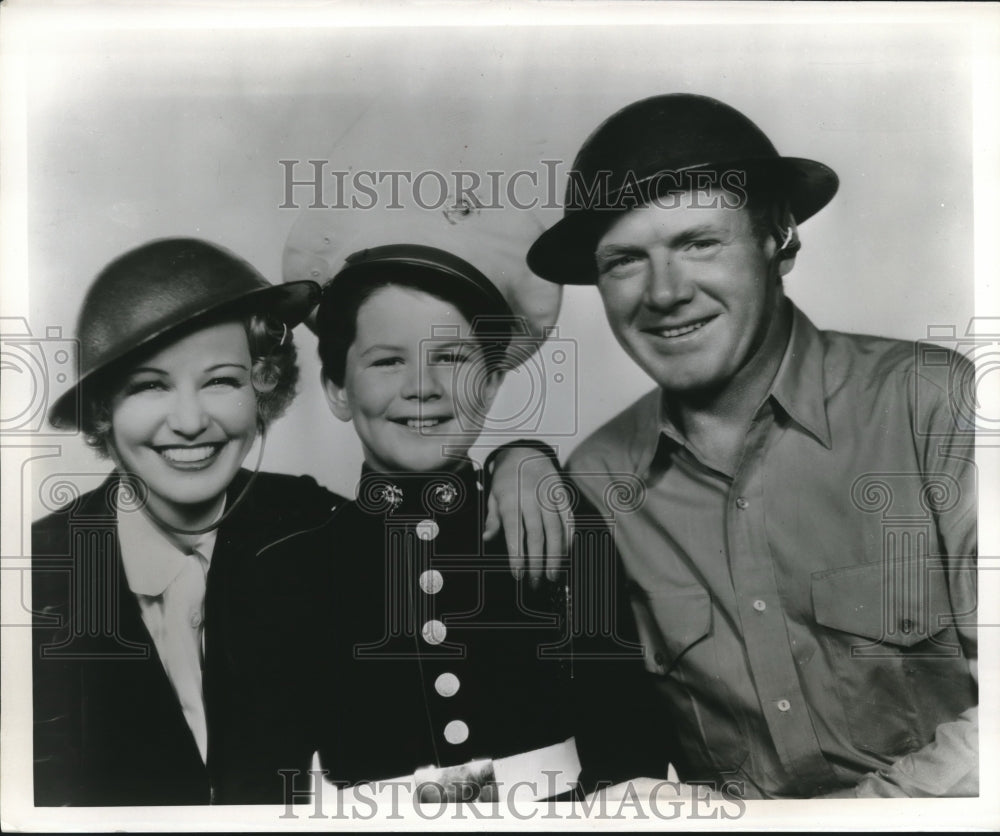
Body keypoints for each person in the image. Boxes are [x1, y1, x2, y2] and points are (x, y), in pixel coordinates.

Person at [525, 93, 978, 799]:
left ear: (780, 237)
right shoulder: (598, 479)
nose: (665, 292)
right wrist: (513, 454)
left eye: (699, 242)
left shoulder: (934, 405)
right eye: (624, 262)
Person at [31, 237, 562, 806]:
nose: (189, 422)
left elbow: (414, 508)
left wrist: (520, 459)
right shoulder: (39, 574)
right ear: (103, 411)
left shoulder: (308, 520)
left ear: (264, 390)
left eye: (221, 381)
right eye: (149, 386)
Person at [243, 220, 667, 803]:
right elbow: (264, 784)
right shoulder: (296, 562)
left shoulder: (561, 524)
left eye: (452, 358)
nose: (423, 387)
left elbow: (628, 744)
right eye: (387, 362)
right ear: (338, 389)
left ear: (491, 386)